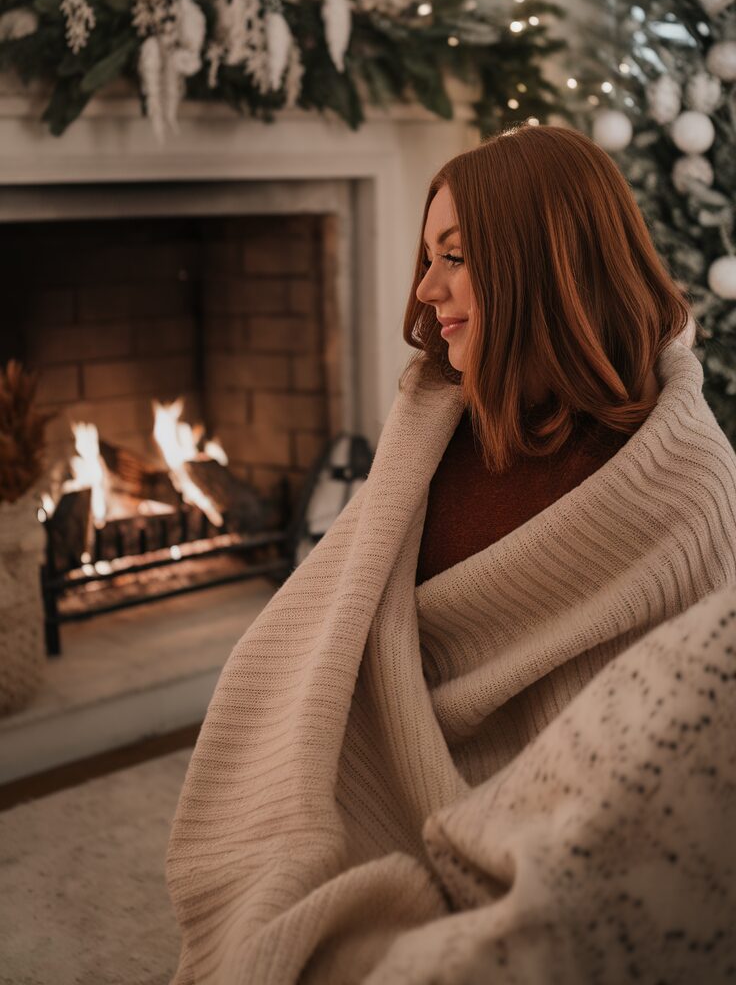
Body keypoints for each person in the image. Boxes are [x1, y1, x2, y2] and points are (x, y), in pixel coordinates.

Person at [166, 125, 736, 984]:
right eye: (427, 258)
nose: (427, 288)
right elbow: (338, 610)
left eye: (456, 256)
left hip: (531, 811)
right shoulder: (436, 417)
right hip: (388, 769)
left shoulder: (685, 482)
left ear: (548, 266)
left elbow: (665, 753)